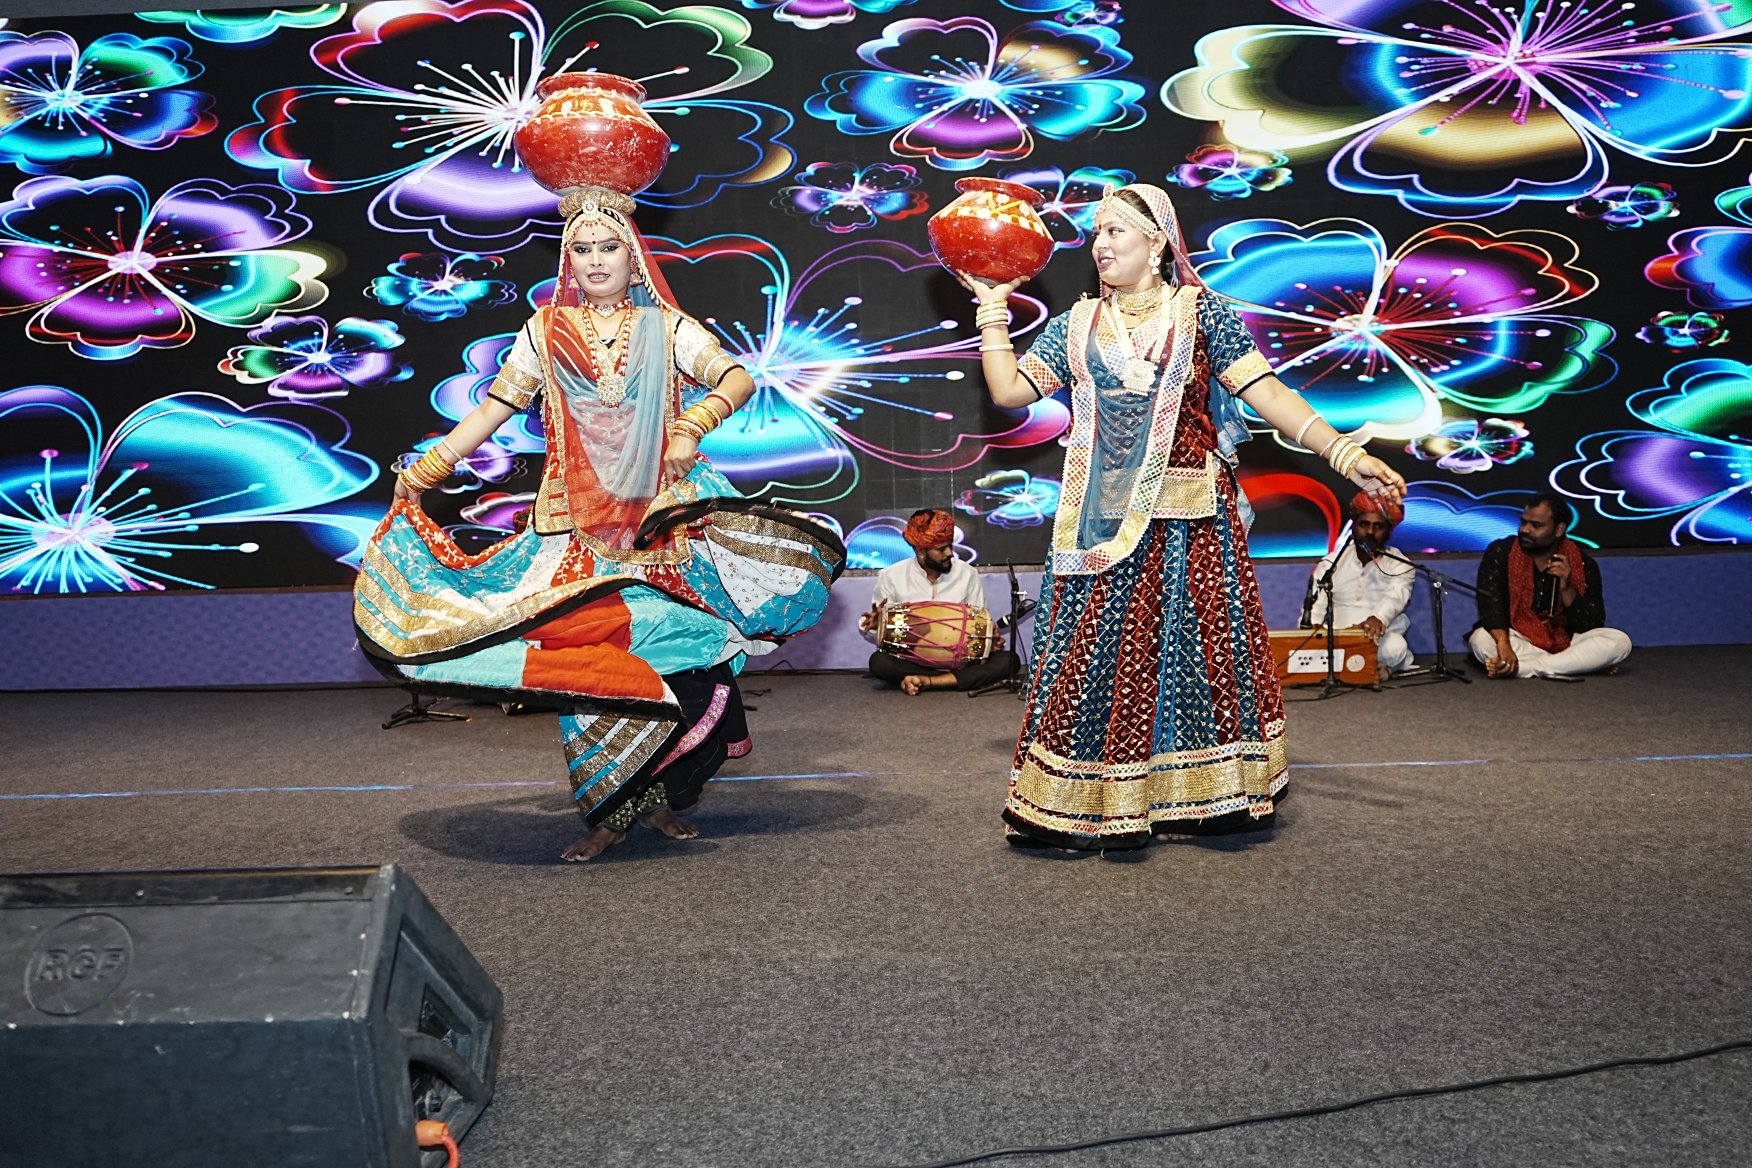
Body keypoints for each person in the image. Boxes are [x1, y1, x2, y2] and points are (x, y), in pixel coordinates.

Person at [353, 185, 842, 862]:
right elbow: (493, 410)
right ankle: (609, 811)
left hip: (660, 523)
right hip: (575, 527)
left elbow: (736, 378)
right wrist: (428, 469)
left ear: (632, 254)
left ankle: (660, 796)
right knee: (592, 668)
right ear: (568, 259)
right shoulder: (542, 329)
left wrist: (692, 424)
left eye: (608, 246)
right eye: (581, 249)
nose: (595, 260)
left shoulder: (666, 327)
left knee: (686, 653)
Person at [957, 183, 1407, 849]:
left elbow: (1266, 392)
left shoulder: (1201, 314)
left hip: (1189, 520)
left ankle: (1201, 796)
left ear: (1158, 243)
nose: (1101, 244)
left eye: (1116, 231)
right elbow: (1009, 390)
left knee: (1194, 662)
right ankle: (1084, 799)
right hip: (1099, 523)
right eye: (1098, 232)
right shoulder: (1077, 324)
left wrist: (1345, 454)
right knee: (1094, 659)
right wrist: (993, 309)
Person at [1469, 494, 1631, 679]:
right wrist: (1503, 643)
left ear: (1559, 529)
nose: (1525, 530)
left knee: (1619, 641)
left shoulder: (1584, 564)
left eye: (1536, 525)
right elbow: (1490, 606)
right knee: (1481, 639)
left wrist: (1566, 588)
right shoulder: (1500, 552)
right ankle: (1572, 665)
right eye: (1524, 522)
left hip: (1567, 639)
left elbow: (1592, 623)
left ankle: (1523, 668)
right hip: (1517, 637)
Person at [860, 508, 1021, 695]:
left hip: (961, 660)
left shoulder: (967, 573)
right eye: (941, 549)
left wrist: (989, 641)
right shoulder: (891, 576)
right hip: (913, 660)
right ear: (921, 551)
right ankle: (952, 680)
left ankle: (927, 681)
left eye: (950, 546)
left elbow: (977, 623)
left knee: (1010, 660)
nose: (950, 553)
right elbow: (880, 633)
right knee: (879, 662)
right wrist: (876, 626)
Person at [1306, 492, 1417, 677]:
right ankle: (1366, 667)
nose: (1370, 532)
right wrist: (1313, 628)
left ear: (1389, 532)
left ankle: (1346, 666)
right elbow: (1317, 603)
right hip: (1335, 635)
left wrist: (1378, 618)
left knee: (1395, 646)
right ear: (1353, 528)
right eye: (1364, 524)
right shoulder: (1331, 563)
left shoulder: (1400, 564)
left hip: (1376, 636)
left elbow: (1396, 597)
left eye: (1378, 526)